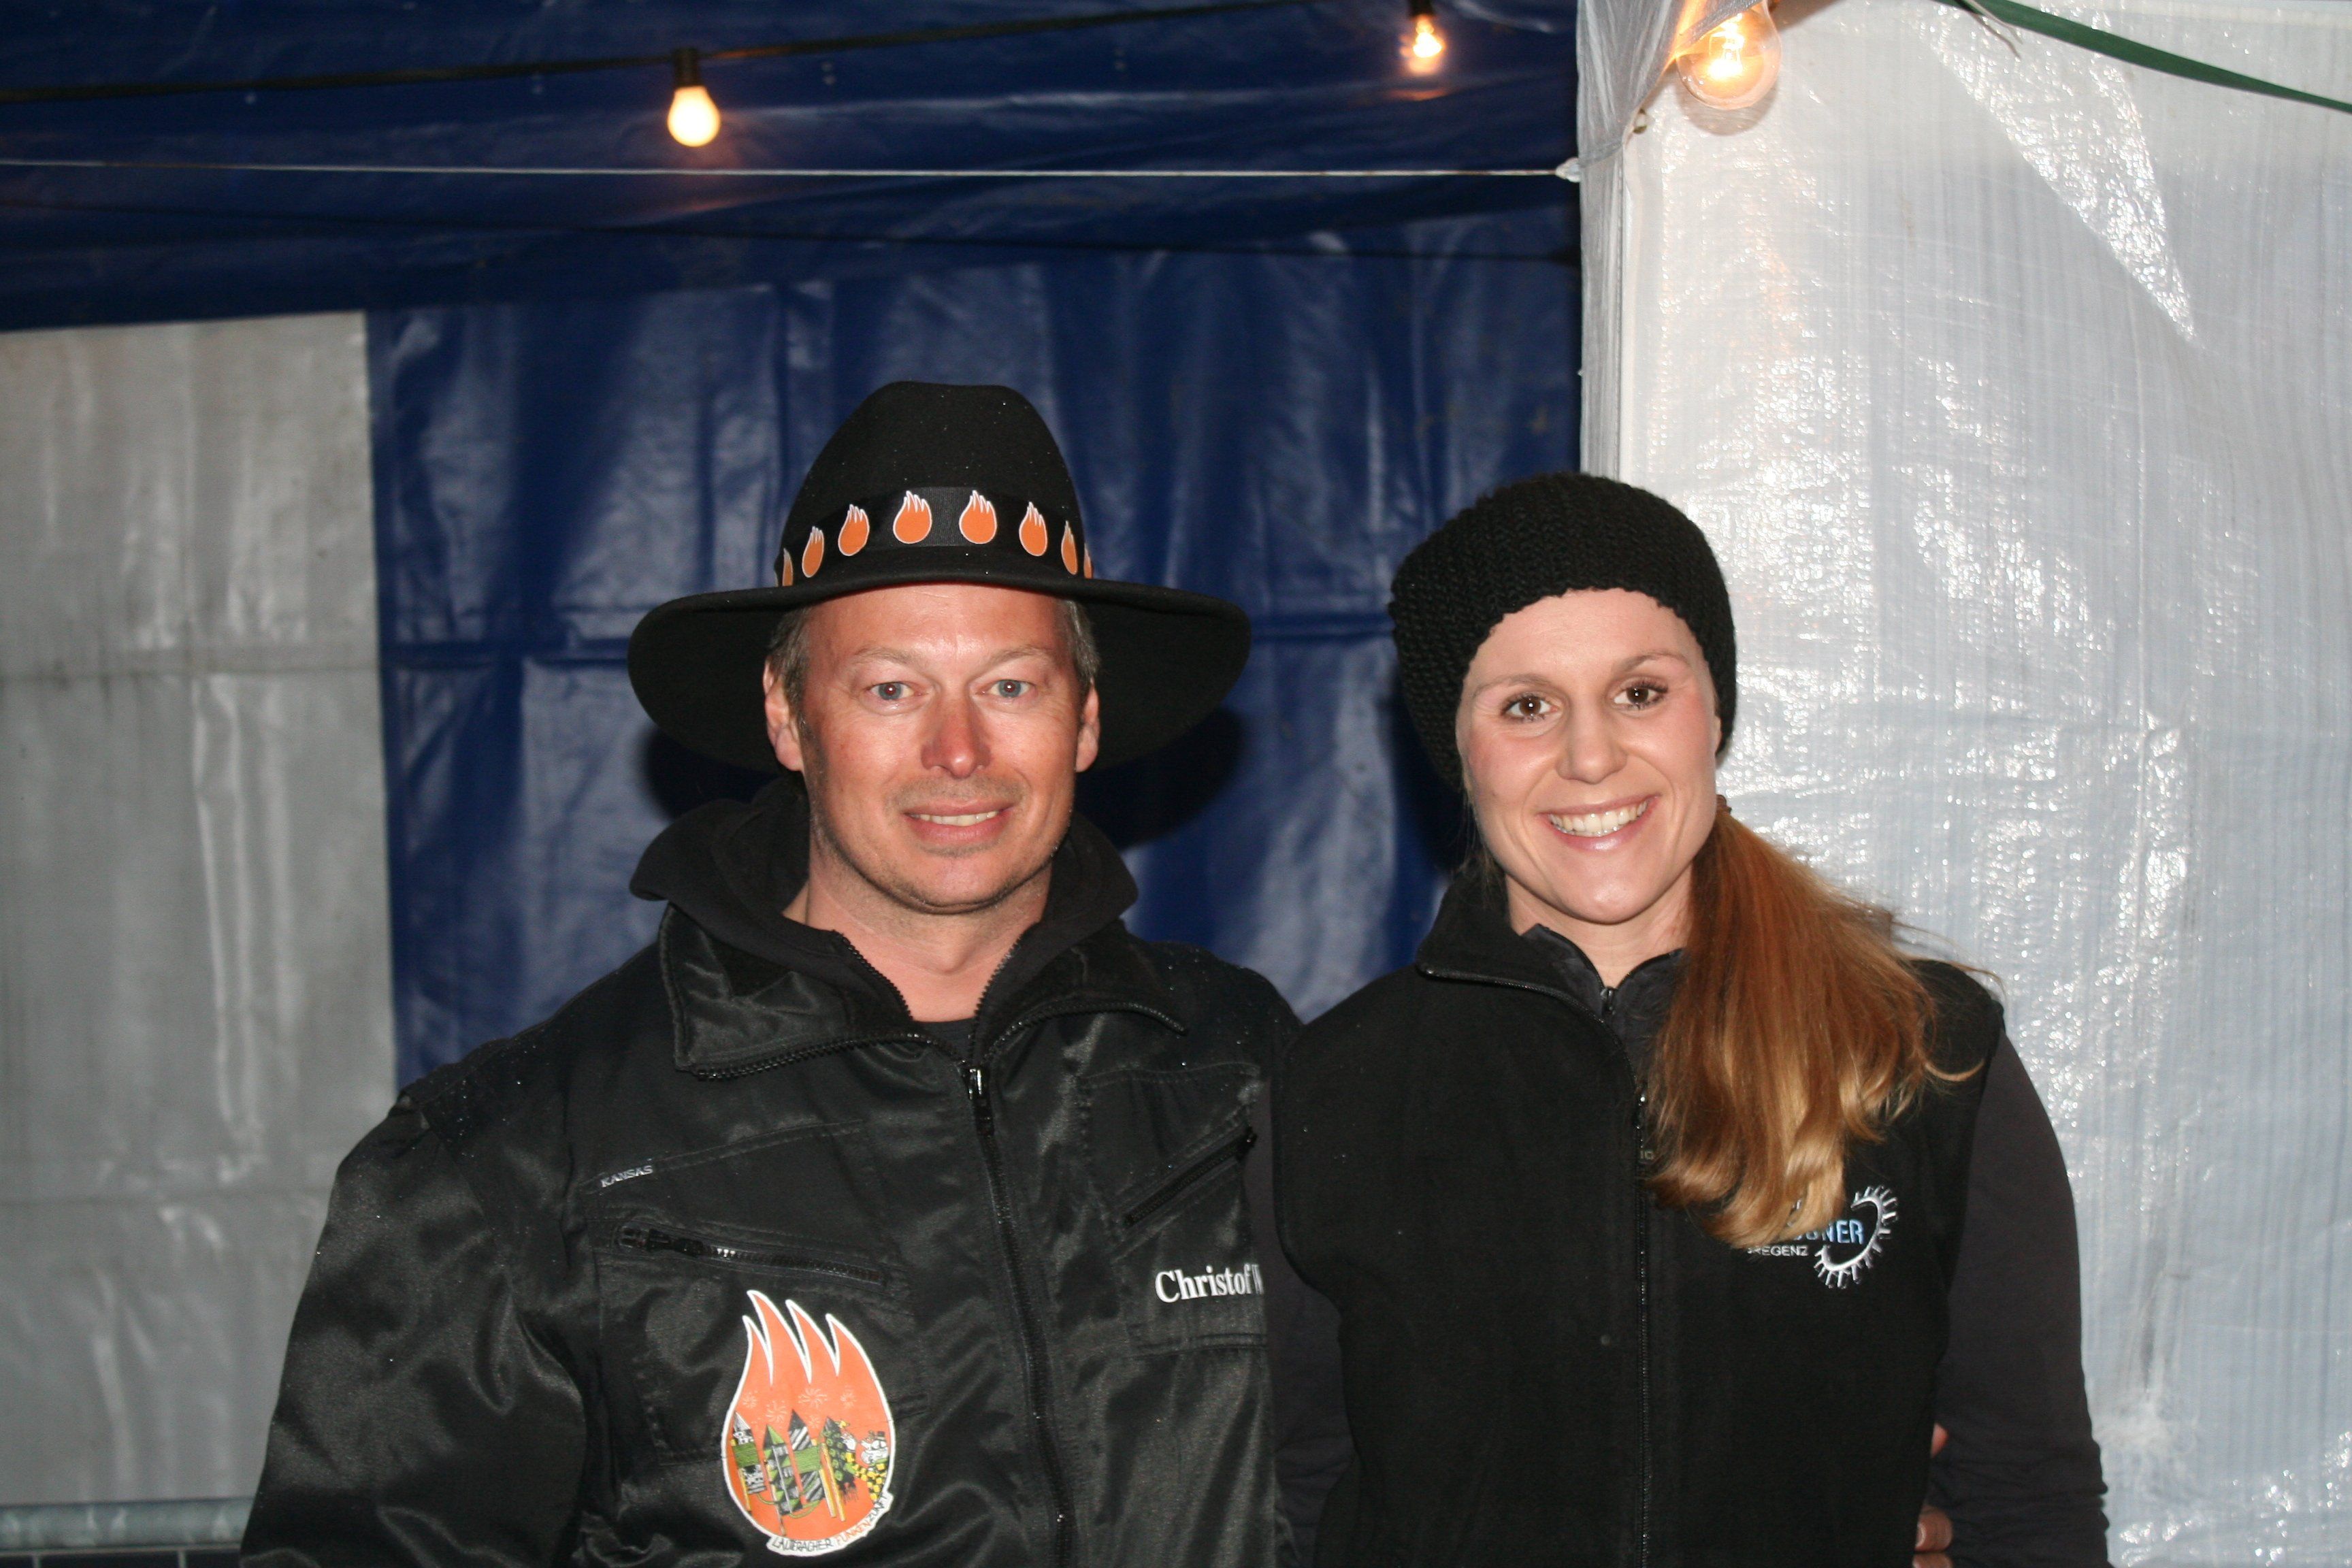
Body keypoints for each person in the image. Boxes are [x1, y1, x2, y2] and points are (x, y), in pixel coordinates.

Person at [244, 382, 1307, 1567]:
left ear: (1087, 719)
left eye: (1010, 685)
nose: (959, 751)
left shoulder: (1239, 1066)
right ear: (789, 718)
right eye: (891, 688)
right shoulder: (519, 1156)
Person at [1274, 474, 2108, 1566]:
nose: (1591, 757)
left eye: (1640, 692)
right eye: (1526, 706)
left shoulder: (1922, 1051)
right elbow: (1293, 1505)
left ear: (1714, 711)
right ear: (1456, 750)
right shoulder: (1335, 1089)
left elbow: (2028, 1497)